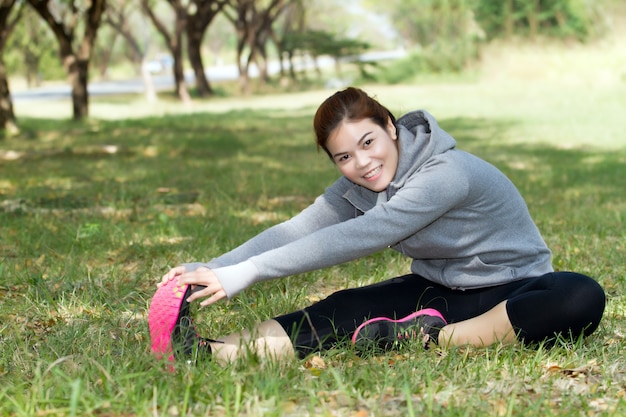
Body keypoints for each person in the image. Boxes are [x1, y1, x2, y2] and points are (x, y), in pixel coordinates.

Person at [149, 87, 605, 364]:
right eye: (344, 157)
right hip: (435, 291)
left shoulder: (447, 173)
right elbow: (298, 230)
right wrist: (208, 266)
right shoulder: (362, 185)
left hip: (514, 292)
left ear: (389, 126)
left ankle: (432, 338)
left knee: (578, 294)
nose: (362, 163)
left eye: (368, 142)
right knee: (342, 308)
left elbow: (366, 234)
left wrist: (246, 274)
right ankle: (210, 353)